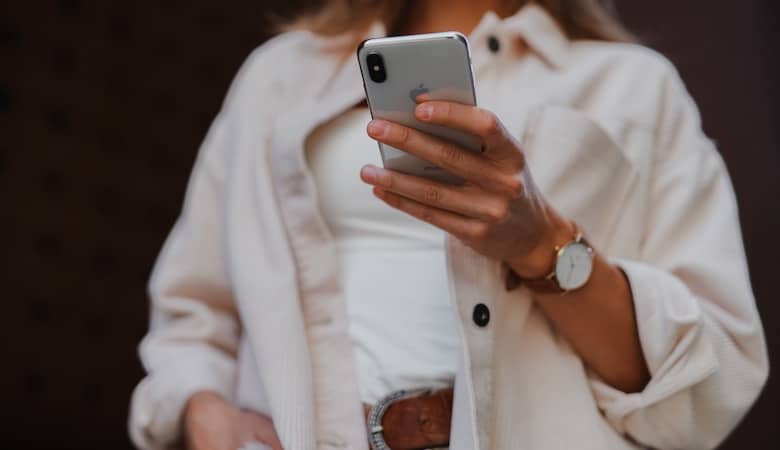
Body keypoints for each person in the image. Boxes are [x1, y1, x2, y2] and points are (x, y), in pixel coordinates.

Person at [128, 1, 769, 449]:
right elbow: (193, 311)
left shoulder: (633, 86)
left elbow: (707, 383)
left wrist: (539, 243)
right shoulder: (279, 75)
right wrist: (202, 415)